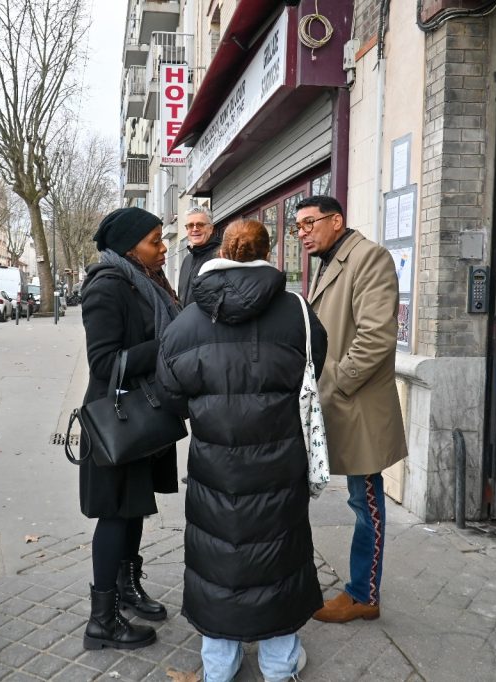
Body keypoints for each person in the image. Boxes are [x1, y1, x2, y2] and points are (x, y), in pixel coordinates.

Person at [158, 219, 325, 682]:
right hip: (281, 463)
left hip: (214, 464)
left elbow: (170, 393)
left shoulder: (188, 320)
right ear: (267, 253)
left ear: (222, 252)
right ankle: (279, 667)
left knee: (218, 560)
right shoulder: (297, 311)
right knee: (279, 556)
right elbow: (316, 368)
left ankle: (219, 668)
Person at [295, 195, 408, 623]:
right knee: (359, 500)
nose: (302, 233)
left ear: (337, 220)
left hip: (356, 405)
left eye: (309, 224)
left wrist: (338, 382)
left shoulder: (369, 258)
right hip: (332, 401)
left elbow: (377, 336)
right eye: (298, 227)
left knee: (366, 503)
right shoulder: (332, 260)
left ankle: (364, 595)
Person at [79, 207, 180, 650]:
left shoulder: (147, 281)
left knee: (134, 508)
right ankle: (101, 622)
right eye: (155, 240)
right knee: (115, 514)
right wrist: (167, 345)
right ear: (128, 247)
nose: (163, 248)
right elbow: (103, 362)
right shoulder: (107, 285)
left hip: (143, 412)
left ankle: (127, 588)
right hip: (117, 418)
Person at [177, 206, 222, 308]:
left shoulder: (221, 255)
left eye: (200, 224)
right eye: (190, 225)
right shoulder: (187, 260)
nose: (195, 229)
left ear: (211, 228)